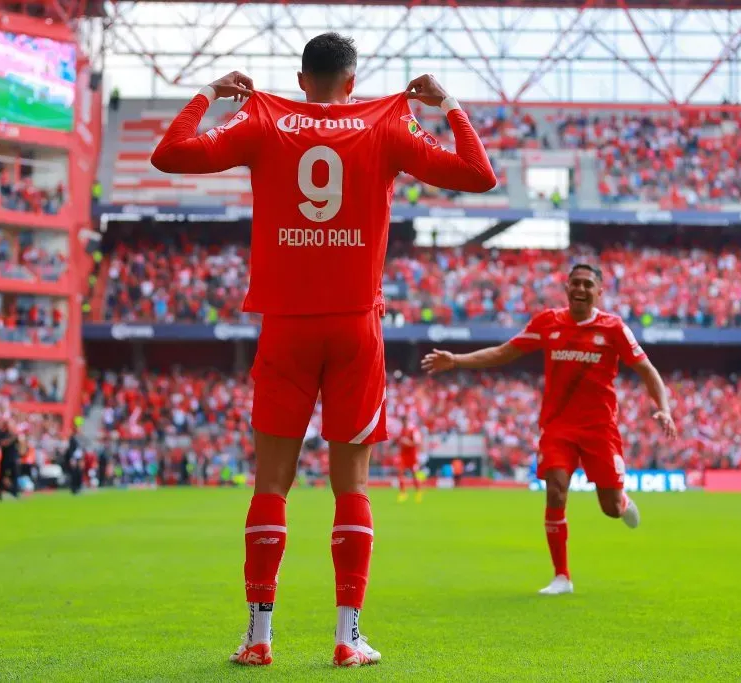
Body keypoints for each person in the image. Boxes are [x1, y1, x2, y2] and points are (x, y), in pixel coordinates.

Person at [151, 33, 495, 667]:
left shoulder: (263, 118)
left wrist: (207, 95)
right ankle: (346, 636)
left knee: (271, 485)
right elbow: (479, 174)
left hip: (285, 324)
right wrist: (448, 106)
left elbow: (168, 155)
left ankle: (258, 639)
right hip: (355, 326)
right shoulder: (387, 124)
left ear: (301, 78)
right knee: (352, 486)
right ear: (353, 79)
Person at [422, 264, 677, 595]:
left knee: (610, 508)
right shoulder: (548, 322)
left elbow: (647, 369)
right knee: (556, 490)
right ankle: (562, 576)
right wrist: (456, 360)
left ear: (599, 291)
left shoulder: (613, 328)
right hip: (558, 427)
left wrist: (664, 409)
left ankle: (622, 503)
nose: (581, 289)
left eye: (588, 284)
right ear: (567, 288)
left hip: (600, 429)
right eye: (576, 283)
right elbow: (503, 352)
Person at [0, 419, 20, 501]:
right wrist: (12, 438)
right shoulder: (2, 434)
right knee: (1, 477)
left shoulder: (14, 435)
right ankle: (0, 494)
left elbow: (20, 447)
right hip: (5, 458)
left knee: (14, 476)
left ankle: (15, 493)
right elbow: (3, 443)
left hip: (13, 458)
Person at [396, 421, 423, 503]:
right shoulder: (402, 430)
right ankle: (403, 493)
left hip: (412, 455)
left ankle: (418, 492)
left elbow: (417, 442)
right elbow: (399, 441)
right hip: (403, 455)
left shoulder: (413, 430)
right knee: (400, 472)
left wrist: (408, 443)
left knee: (414, 474)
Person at [63, 428, 83, 494]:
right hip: (74, 458)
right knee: (74, 474)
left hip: (78, 459)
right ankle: (74, 488)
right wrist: (72, 459)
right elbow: (71, 450)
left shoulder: (80, 438)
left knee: (78, 473)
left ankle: (78, 487)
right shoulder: (72, 439)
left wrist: (81, 459)